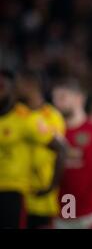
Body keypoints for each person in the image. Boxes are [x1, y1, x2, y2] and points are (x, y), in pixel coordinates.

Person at [0, 69, 64, 229]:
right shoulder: (18, 115)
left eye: (17, 84)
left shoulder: (46, 117)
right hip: (24, 192)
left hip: (38, 195)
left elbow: (60, 150)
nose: (14, 88)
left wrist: (51, 185)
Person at [51, 79, 92, 229]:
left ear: (79, 98)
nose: (57, 103)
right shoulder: (53, 134)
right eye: (54, 98)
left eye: (62, 97)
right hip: (62, 213)